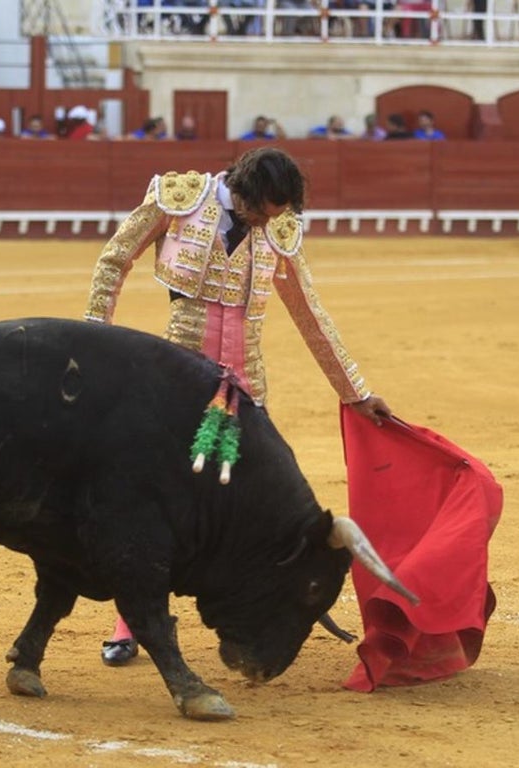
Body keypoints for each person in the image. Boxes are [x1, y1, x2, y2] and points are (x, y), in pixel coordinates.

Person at [84, 146, 393, 666]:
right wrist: (94, 338)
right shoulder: (180, 199)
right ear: (242, 190)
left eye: (278, 214)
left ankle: (268, 607)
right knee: (159, 500)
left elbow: (310, 315)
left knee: (249, 503)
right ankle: (132, 620)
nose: (267, 222)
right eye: (261, 212)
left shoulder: (279, 227)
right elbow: (115, 259)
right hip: (177, 382)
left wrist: (355, 391)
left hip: (247, 391)